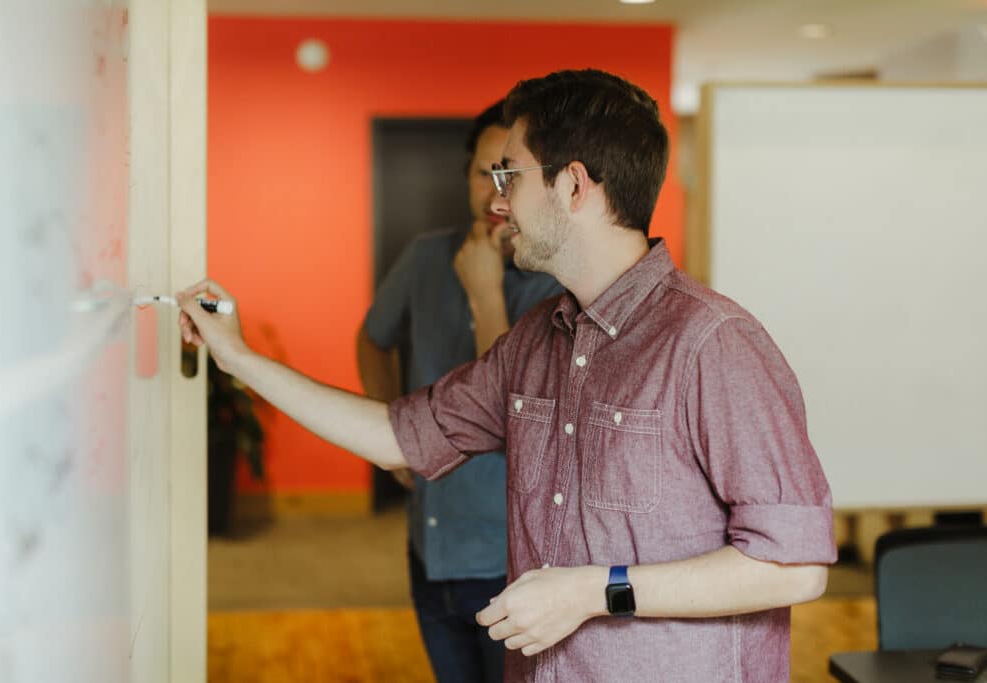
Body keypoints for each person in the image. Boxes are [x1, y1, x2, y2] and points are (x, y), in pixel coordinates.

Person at [178, 69, 835, 682]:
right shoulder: (536, 338)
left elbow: (793, 563)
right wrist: (238, 358)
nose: (498, 203)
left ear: (574, 185)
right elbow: (395, 434)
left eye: (509, 176)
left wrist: (592, 589)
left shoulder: (713, 344)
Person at [355, 100, 562, 683]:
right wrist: (386, 436)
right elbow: (373, 339)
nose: (495, 191)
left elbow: (513, 409)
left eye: (509, 173)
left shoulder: (554, 282)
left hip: (511, 562)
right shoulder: (426, 256)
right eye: (482, 171)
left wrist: (485, 294)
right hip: (430, 545)